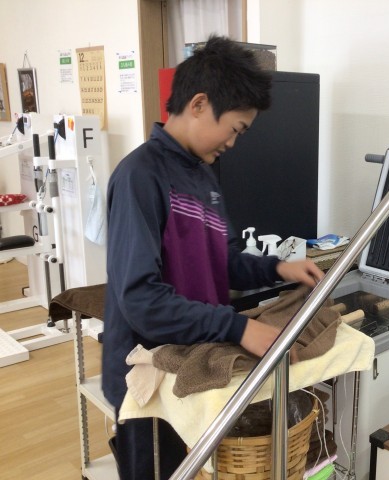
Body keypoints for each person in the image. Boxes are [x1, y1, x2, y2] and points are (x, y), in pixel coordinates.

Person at [102, 35, 325, 479]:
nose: (234, 143)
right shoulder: (140, 176)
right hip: (149, 376)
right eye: (236, 129)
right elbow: (142, 299)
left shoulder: (203, 178)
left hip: (194, 363)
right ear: (200, 104)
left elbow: (222, 261)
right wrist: (238, 327)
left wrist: (278, 268)